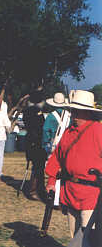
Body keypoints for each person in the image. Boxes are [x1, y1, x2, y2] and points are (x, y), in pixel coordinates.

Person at [45, 90, 102, 239]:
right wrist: (51, 181)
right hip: (70, 192)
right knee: (74, 237)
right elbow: (56, 158)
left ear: (87, 113)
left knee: (90, 238)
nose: (73, 114)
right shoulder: (69, 132)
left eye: (77, 111)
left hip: (92, 195)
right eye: (72, 111)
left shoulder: (98, 130)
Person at [22, 90, 47, 201]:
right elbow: (40, 126)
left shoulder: (26, 111)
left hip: (30, 141)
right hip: (36, 141)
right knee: (38, 167)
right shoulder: (36, 112)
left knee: (37, 166)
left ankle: (38, 189)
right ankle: (34, 190)